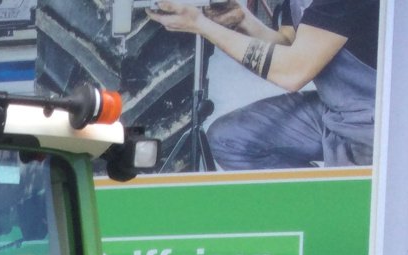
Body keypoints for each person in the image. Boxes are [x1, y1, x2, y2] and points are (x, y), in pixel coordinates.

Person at [149, 0, 379, 170]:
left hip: (375, 120)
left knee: (362, 204)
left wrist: (202, 26)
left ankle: (332, 209)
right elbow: (290, 45)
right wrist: (242, 21)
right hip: (334, 109)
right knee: (229, 138)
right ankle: (309, 207)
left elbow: (293, 72)